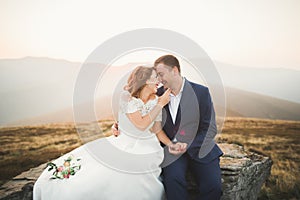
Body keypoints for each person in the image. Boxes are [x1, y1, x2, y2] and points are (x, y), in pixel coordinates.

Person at [33, 66, 187, 200]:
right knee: (104, 170)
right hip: (124, 142)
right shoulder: (127, 98)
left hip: (148, 146)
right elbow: (140, 124)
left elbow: (157, 129)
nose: (159, 81)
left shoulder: (156, 99)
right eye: (156, 78)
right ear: (146, 81)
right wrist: (160, 104)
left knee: (137, 164)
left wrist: (170, 144)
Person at [113, 55, 223, 200]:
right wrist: (119, 126)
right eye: (156, 76)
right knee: (172, 182)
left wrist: (187, 145)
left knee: (213, 186)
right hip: (171, 152)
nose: (158, 79)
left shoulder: (201, 92)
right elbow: (136, 111)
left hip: (200, 148)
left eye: (161, 74)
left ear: (175, 70)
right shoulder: (155, 94)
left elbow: (210, 128)